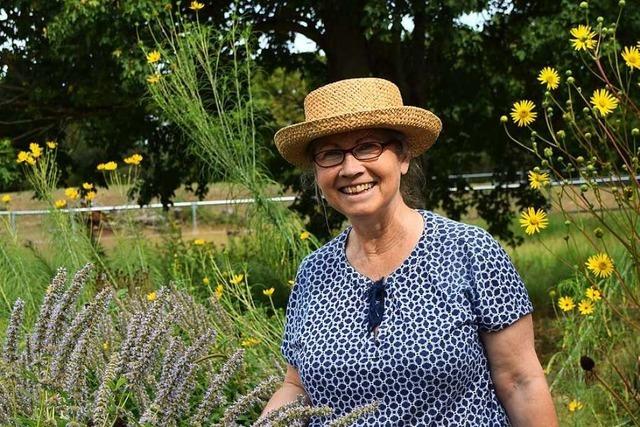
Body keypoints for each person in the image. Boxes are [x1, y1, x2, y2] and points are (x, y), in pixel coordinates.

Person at [260, 78, 557, 426]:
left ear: (403, 157)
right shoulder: (314, 272)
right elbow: (297, 387)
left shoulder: (470, 253)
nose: (351, 168)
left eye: (368, 146)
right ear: (317, 171)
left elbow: (520, 381)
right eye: (330, 154)